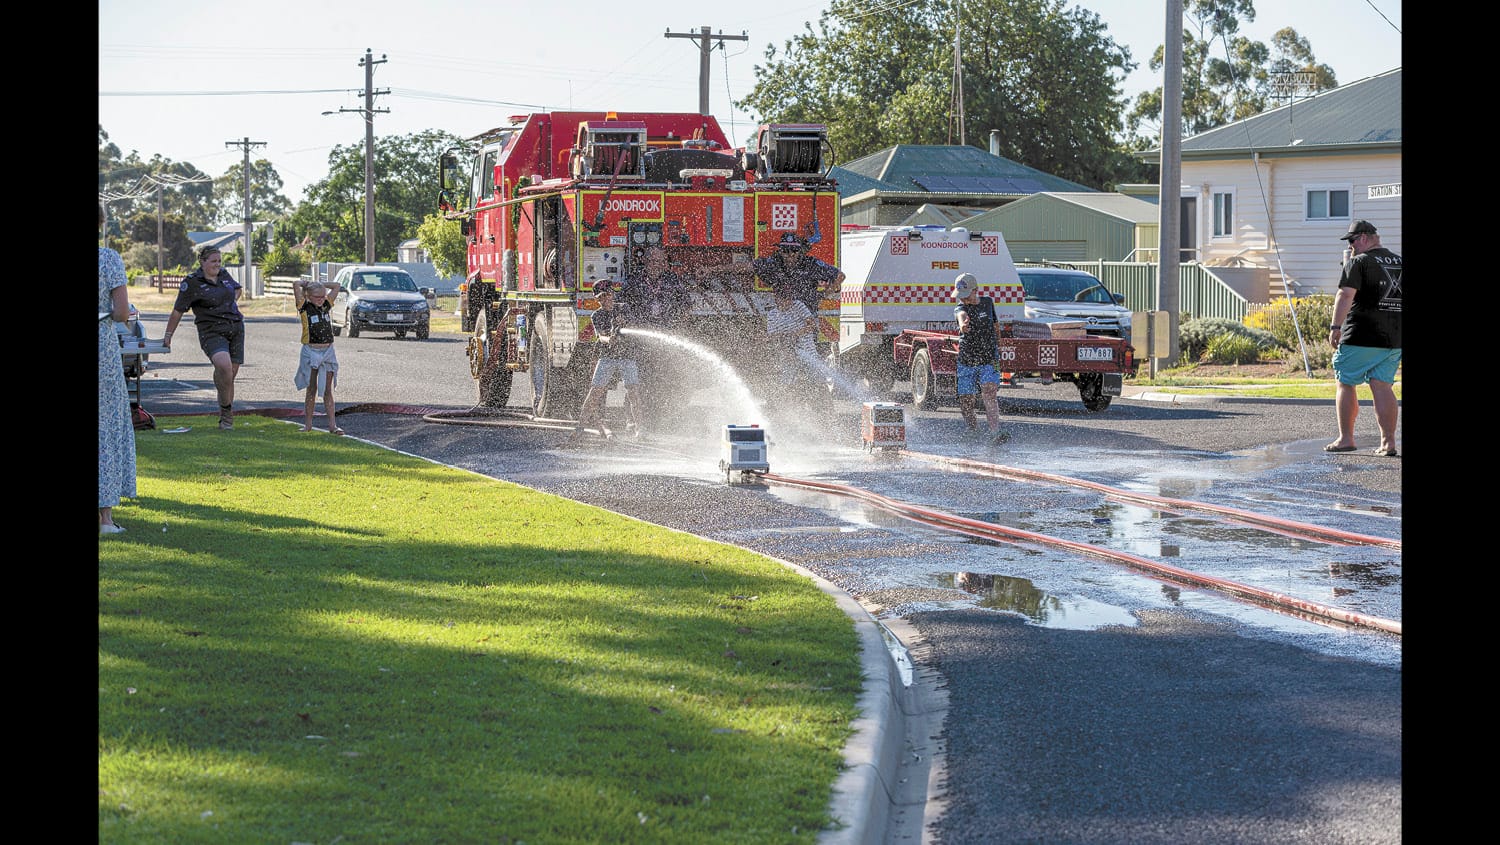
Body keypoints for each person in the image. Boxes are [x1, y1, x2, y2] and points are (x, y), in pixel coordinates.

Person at [1325, 219, 1401, 457]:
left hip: (1361, 334)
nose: (1350, 246)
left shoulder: (1359, 262)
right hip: (1394, 337)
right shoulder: (1399, 261)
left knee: (1345, 381)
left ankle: (1346, 438)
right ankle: (1388, 443)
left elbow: (1345, 295)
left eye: (1352, 240)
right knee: (1382, 385)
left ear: (1366, 237)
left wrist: (1335, 326)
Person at [162, 245, 245, 429]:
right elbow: (178, 311)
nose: (217, 265)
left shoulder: (224, 275)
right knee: (224, 367)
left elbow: (237, 290)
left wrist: (229, 303)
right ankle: (227, 415)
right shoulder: (192, 282)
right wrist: (168, 335)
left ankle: (224, 413)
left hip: (236, 327)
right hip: (211, 330)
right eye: (213, 261)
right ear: (202, 262)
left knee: (229, 376)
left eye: (219, 261)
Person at [99, 204, 137, 535]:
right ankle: (105, 518)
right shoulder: (108, 258)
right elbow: (122, 312)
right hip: (101, 345)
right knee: (106, 422)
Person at [569, 280, 643, 443]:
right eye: (601, 297)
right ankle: (580, 427)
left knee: (633, 392)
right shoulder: (597, 315)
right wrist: (608, 339)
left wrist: (624, 323)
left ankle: (640, 429)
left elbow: (632, 324)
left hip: (627, 356)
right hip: (608, 357)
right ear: (597, 300)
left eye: (608, 295)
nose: (605, 299)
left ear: (613, 294)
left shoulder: (624, 308)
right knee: (595, 392)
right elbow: (600, 336)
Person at [952, 272, 1007, 445]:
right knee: (966, 399)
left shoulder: (988, 303)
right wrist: (963, 326)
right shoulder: (960, 309)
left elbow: (995, 325)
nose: (963, 300)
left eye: (965, 295)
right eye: (960, 296)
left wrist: (999, 343)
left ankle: (995, 432)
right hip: (967, 358)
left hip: (989, 357)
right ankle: (973, 429)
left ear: (976, 290)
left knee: (989, 391)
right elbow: (961, 320)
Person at [293, 278, 345, 434]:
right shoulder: (304, 307)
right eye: (318, 297)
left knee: (328, 389)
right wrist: (306, 284)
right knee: (312, 389)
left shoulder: (326, 306)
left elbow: (337, 286)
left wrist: (322, 285)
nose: (321, 300)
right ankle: (308, 425)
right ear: (309, 296)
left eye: (323, 296)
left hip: (327, 351)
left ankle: (333, 425)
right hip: (311, 351)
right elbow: (296, 285)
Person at [618, 245, 691, 330]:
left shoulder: (672, 279)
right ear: (644, 260)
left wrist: (680, 324)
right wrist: (624, 320)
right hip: (640, 329)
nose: (657, 265)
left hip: (667, 328)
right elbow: (620, 302)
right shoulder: (634, 279)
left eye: (660, 261)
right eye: (653, 261)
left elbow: (686, 303)